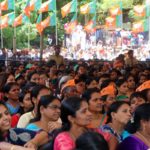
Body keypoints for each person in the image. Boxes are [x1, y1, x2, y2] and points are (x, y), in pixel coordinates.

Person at [53, 96, 117, 150]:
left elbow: (112, 138)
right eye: (84, 111)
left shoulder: (91, 131)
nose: (90, 114)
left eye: (88, 110)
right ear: (71, 118)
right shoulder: (62, 139)